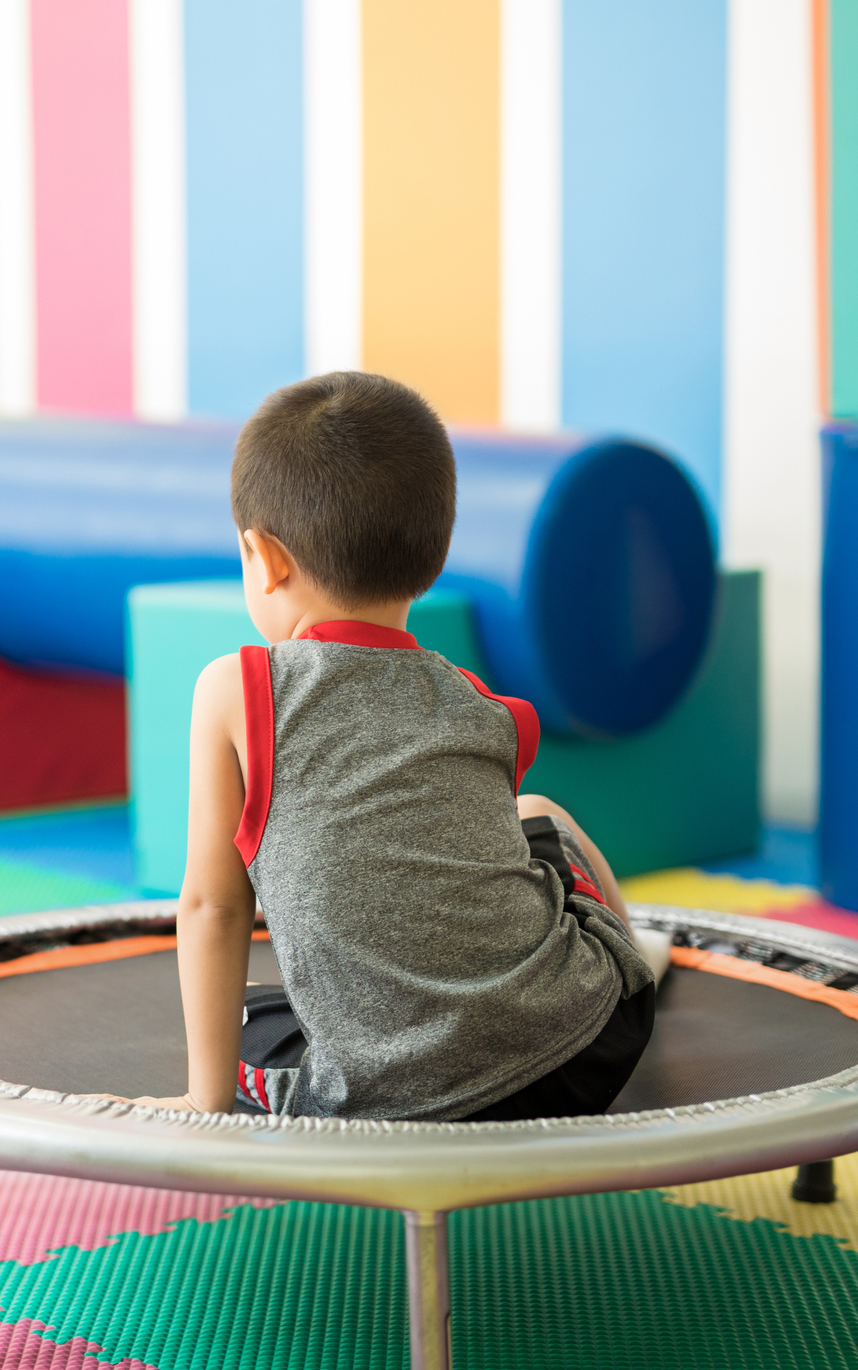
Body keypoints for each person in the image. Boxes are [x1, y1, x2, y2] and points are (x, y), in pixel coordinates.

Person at [118, 371, 655, 1121]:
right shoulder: (489, 708)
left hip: (387, 1099)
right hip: (586, 1047)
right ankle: (633, 963)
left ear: (263, 557)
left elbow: (213, 904)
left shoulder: (236, 688)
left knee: (254, 1031)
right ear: (431, 560)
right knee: (536, 811)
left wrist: (203, 1101)